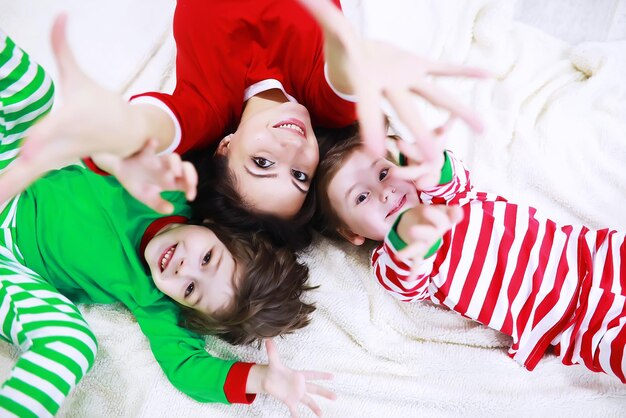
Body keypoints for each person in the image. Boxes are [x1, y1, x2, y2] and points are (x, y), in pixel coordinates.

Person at [0, 29, 334, 418]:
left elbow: (187, 370)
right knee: (37, 94)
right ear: (214, 226)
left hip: (11, 266)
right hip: (16, 176)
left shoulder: (157, 302)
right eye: (208, 258)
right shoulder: (175, 186)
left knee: (72, 346)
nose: (182, 269)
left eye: (191, 289)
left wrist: (259, 379)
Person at [0, 0, 487, 245]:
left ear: (225, 145)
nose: (292, 152)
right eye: (299, 175)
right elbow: (347, 73)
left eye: (261, 163)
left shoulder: (206, 104)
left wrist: (109, 138)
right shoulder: (328, 105)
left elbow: (151, 129)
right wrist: (364, 62)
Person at [313, 124, 626, 383]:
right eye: (362, 197)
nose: (384, 192)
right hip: (574, 323)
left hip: (594, 254)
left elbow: (446, 173)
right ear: (353, 234)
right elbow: (404, 275)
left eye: (383, 173)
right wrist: (409, 234)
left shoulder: (453, 197)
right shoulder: (391, 263)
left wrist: (420, 160)